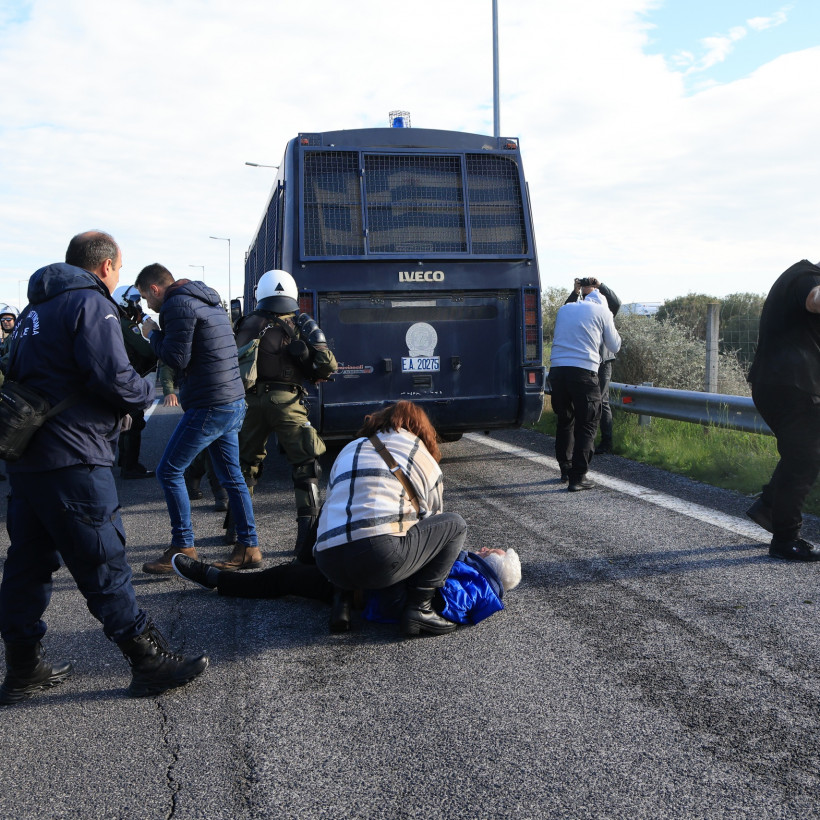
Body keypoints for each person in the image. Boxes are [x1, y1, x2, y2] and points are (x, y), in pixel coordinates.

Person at [0, 231, 208, 704]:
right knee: (103, 559)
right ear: (107, 266)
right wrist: (145, 390)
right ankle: (148, 661)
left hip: (28, 457)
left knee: (27, 565)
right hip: (75, 454)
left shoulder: (32, 311)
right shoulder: (91, 305)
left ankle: (23, 668)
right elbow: (111, 375)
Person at [136, 263, 260, 573]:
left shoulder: (176, 304)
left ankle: (183, 546)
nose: (147, 305)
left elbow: (177, 357)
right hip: (231, 400)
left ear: (154, 288)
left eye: (145, 297)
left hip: (210, 404)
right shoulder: (208, 301)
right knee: (233, 477)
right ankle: (249, 546)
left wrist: (152, 334)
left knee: (168, 471)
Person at [312, 400, 466, 637]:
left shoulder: (350, 448)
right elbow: (433, 519)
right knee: (455, 525)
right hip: (377, 558)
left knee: (347, 515)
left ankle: (340, 604)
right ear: (421, 429)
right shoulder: (418, 451)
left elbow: (332, 502)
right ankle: (420, 609)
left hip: (327, 562)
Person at [232, 269, 337, 565]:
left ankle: (240, 535)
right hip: (287, 401)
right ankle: (305, 538)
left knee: (244, 467)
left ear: (261, 293)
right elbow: (328, 366)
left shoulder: (245, 323)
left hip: (249, 403)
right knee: (305, 466)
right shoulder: (301, 323)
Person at [170, 546, 521, 633]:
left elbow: (437, 597)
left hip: (370, 587)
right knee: (301, 567)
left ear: (494, 565)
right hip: (372, 582)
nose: (489, 547)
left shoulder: (476, 587)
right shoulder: (473, 574)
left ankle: (214, 577)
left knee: (285, 578)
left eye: (496, 551)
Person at [746, 259, 820, 562]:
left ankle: (769, 507)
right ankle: (786, 539)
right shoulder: (806, 276)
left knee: (801, 454)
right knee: (805, 458)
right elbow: (815, 300)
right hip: (788, 386)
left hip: (786, 384)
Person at [548, 282, 621, 492]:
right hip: (583, 372)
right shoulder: (603, 312)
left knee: (565, 421)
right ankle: (578, 477)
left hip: (558, 370)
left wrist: (576, 291)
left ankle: (565, 468)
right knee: (588, 423)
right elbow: (614, 345)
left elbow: (569, 307)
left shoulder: (566, 308)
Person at [564, 277, 622, 454]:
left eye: (591, 289)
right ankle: (587, 441)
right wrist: (575, 292)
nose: (588, 292)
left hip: (602, 361)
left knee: (600, 401)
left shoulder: (604, 308)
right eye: (585, 289)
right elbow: (565, 309)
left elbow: (616, 303)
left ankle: (605, 442)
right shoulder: (579, 308)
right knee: (592, 401)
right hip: (584, 361)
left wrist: (601, 286)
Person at [111, 285, 156, 479]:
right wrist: (155, 337)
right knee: (134, 421)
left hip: (117, 378)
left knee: (125, 419)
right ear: (124, 302)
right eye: (135, 302)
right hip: (128, 378)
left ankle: (123, 459)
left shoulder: (115, 322)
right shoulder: (126, 325)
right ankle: (130, 466)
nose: (138, 306)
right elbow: (146, 351)